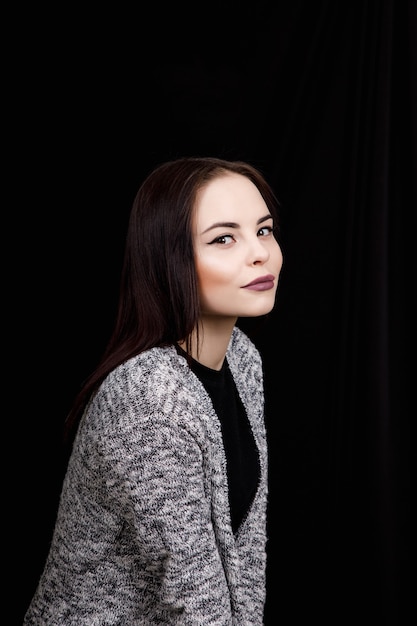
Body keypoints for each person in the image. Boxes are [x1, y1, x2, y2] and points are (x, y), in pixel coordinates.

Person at [24, 156, 283, 625]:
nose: (260, 252)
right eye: (224, 238)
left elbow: (244, 554)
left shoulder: (244, 361)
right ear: (171, 259)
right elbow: (193, 596)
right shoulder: (146, 401)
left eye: (263, 230)